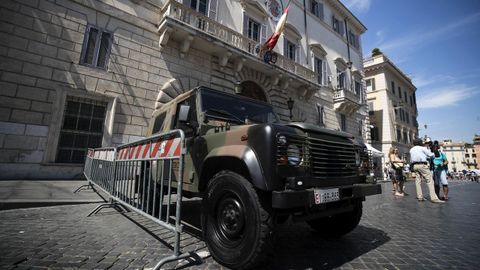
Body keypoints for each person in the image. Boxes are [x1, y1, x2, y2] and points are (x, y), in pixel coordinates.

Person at [409, 138, 445, 203]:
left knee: (418, 181)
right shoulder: (422, 148)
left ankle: (420, 197)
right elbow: (431, 155)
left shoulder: (411, 149)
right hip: (422, 165)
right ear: (420, 143)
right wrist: (435, 150)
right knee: (430, 180)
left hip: (415, 166)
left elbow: (411, 160)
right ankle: (434, 198)